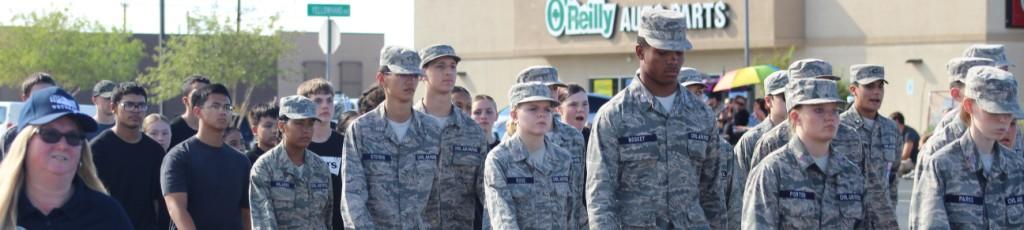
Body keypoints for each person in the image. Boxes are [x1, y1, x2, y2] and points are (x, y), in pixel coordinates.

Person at [586, 9, 722, 229]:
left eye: (679, 52)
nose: (673, 59)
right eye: (662, 52)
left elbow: (713, 194)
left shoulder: (701, 115)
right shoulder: (614, 116)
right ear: (640, 51)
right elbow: (600, 197)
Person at [0, 86, 132, 229]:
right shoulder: (4, 209)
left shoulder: (107, 215)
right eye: (50, 135)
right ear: (24, 142)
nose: (63, 145)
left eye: (73, 137)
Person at [742, 78, 865, 229]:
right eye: (819, 110)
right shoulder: (772, 172)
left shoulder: (851, 173)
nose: (830, 117)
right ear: (795, 117)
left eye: (834, 110)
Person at [910, 66, 1024, 229]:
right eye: (993, 111)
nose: (1003, 120)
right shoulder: (942, 165)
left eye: (1008, 112)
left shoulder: (1018, 168)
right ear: (969, 106)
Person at [340, 46, 442, 229]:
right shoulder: (362, 130)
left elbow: (435, 200)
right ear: (381, 78)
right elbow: (352, 197)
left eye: (414, 75)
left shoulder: (432, 131)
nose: (410, 81)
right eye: (402, 74)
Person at [414, 44, 488, 229]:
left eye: (452, 67)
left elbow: (486, 193)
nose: (448, 72)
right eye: (440, 66)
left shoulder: (472, 131)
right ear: (423, 73)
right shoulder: (406, 126)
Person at [160, 84, 251, 230]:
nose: (222, 112)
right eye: (215, 106)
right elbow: (176, 209)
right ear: (197, 111)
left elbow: (246, 213)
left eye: (227, 107)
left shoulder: (241, 161)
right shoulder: (179, 156)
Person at [484, 82, 574, 229]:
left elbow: (572, 214)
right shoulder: (499, 159)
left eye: (547, 109)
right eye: (532, 109)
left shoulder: (562, 158)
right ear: (514, 115)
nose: (542, 114)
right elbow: (503, 217)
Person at [515, 66, 587, 229]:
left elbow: (576, 193)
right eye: (545, 88)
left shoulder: (574, 137)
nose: (551, 93)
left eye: (554, 88)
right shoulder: (512, 144)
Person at [90, 82, 167, 230]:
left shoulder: (155, 151)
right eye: (129, 105)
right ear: (114, 107)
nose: (136, 110)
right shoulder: (97, 149)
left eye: (141, 105)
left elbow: (160, 200)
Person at [249, 95, 333, 229]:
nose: (306, 130)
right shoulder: (265, 167)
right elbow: (264, 222)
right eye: (299, 123)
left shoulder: (320, 167)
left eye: (310, 124)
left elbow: (327, 220)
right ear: (282, 126)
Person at [840, 64, 902, 229]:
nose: (877, 92)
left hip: (882, 222)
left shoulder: (891, 129)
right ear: (853, 89)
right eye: (869, 86)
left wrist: (889, 210)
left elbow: (893, 176)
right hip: (848, 222)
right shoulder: (839, 127)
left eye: (880, 86)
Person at [912, 57, 995, 181]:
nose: (992, 96)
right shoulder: (937, 149)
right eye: (979, 88)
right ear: (957, 95)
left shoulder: (1007, 133)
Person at [678, 66, 741, 230]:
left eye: (699, 93)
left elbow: (734, 207)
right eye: (687, 92)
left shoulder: (723, 150)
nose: (696, 99)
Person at [296, 78, 345, 230]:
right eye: (318, 101)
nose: (325, 106)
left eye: (329, 100)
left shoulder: (346, 144)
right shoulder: (296, 146)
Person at [1, 72, 58, 155]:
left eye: (49, 95)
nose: (45, 100)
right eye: (39, 96)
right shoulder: (12, 137)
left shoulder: (67, 134)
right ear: (25, 99)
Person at [168, 75, 211, 149]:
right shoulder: (172, 130)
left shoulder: (214, 128)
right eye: (197, 93)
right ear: (185, 100)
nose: (202, 97)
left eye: (206, 94)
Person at [890, 112, 920, 176]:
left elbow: (905, 155)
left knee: (897, 166)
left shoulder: (909, 134)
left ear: (897, 122)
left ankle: (893, 185)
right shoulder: (897, 134)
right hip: (905, 161)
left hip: (913, 162)